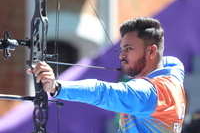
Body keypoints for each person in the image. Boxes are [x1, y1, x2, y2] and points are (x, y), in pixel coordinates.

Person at [27, 17, 186, 133]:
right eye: (122, 49)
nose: (121, 56)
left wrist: (57, 87)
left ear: (151, 51)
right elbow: (172, 61)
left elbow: (102, 92)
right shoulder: (174, 75)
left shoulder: (146, 94)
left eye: (129, 48)